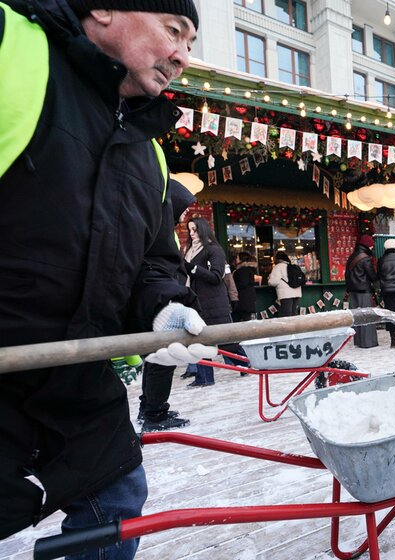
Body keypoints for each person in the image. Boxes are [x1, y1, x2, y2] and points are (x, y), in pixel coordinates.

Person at [0, 0, 200, 555]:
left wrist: (163, 308)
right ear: (105, 9)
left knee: (116, 497)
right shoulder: (11, 51)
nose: (182, 56)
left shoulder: (150, 154)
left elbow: (153, 262)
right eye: (173, 30)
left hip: (79, 383)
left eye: (190, 44)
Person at [137, 180, 198, 432]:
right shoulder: (157, 231)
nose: (186, 215)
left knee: (156, 360)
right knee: (162, 359)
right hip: (159, 304)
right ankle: (155, 413)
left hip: (161, 301)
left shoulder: (164, 228)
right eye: (183, 207)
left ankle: (149, 406)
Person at [183, 217, 233, 387]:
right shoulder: (189, 251)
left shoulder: (213, 249)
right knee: (198, 340)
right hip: (195, 302)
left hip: (213, 302)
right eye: (189, 230)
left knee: (227, 339)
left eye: (194, 229)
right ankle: (204, 378)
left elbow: (216, 276)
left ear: (202, 229)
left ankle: (245, 364)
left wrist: (194, 269)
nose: (191, 233)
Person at [346, 234, 379, 348]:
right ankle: (368, 342)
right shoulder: (365, 258)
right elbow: (372, 276)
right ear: (367, 245)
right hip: (364, 291)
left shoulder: (352, 257)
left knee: (357, 318)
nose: (372, 248)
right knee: (366, 317)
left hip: (353, 291)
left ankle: (359, 341)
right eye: (371, 245)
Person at [268, 251, 301, 317]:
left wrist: (269, 280)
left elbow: (273, 282)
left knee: (287, 315)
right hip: (297, 292)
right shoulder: (292, 266)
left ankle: (288, 327)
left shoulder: (278, 267)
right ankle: (295, 327)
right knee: (293, 314)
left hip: (286, 294)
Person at [232, 252, 259, 322]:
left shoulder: (241, 271)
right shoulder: (250, 270)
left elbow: (241, 284)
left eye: (237, 258)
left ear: (241, 259)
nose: (236, 259)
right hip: (249, 301)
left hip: (242, 301)